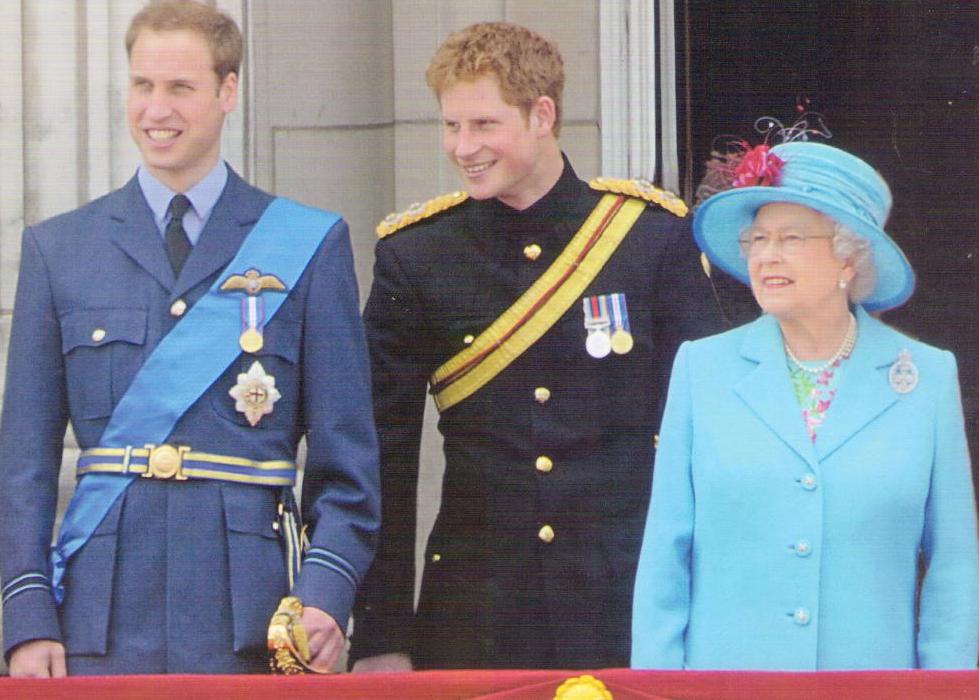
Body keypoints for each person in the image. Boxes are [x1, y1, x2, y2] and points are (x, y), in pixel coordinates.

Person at [351, 21, 751, 671]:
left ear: (542, 115)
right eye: (451, 126)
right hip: (474, 617)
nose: (461, 147)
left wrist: (710, 608)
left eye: (483, 125)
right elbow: (381, 456)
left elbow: (708, 438)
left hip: (622, 606)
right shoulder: (416, 256)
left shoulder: (648, 241)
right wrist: (380, 634)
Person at [0, 0, 379, 676]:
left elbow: (346, 460)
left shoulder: (308, 244)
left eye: (180, 87)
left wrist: (323, 594)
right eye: (143, 85)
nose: (156, 109)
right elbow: (23, 464)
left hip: (253, 619)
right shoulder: (60, 249)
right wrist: (26, 617)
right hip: (99, 620)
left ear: (228, 91)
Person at [631, 140, 979, 670]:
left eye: (790, 238)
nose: (766, 255)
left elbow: (954, 568)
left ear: (849, 254)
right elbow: (664, 557)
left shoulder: (927, 378)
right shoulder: (702, 370)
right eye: (758, 239)